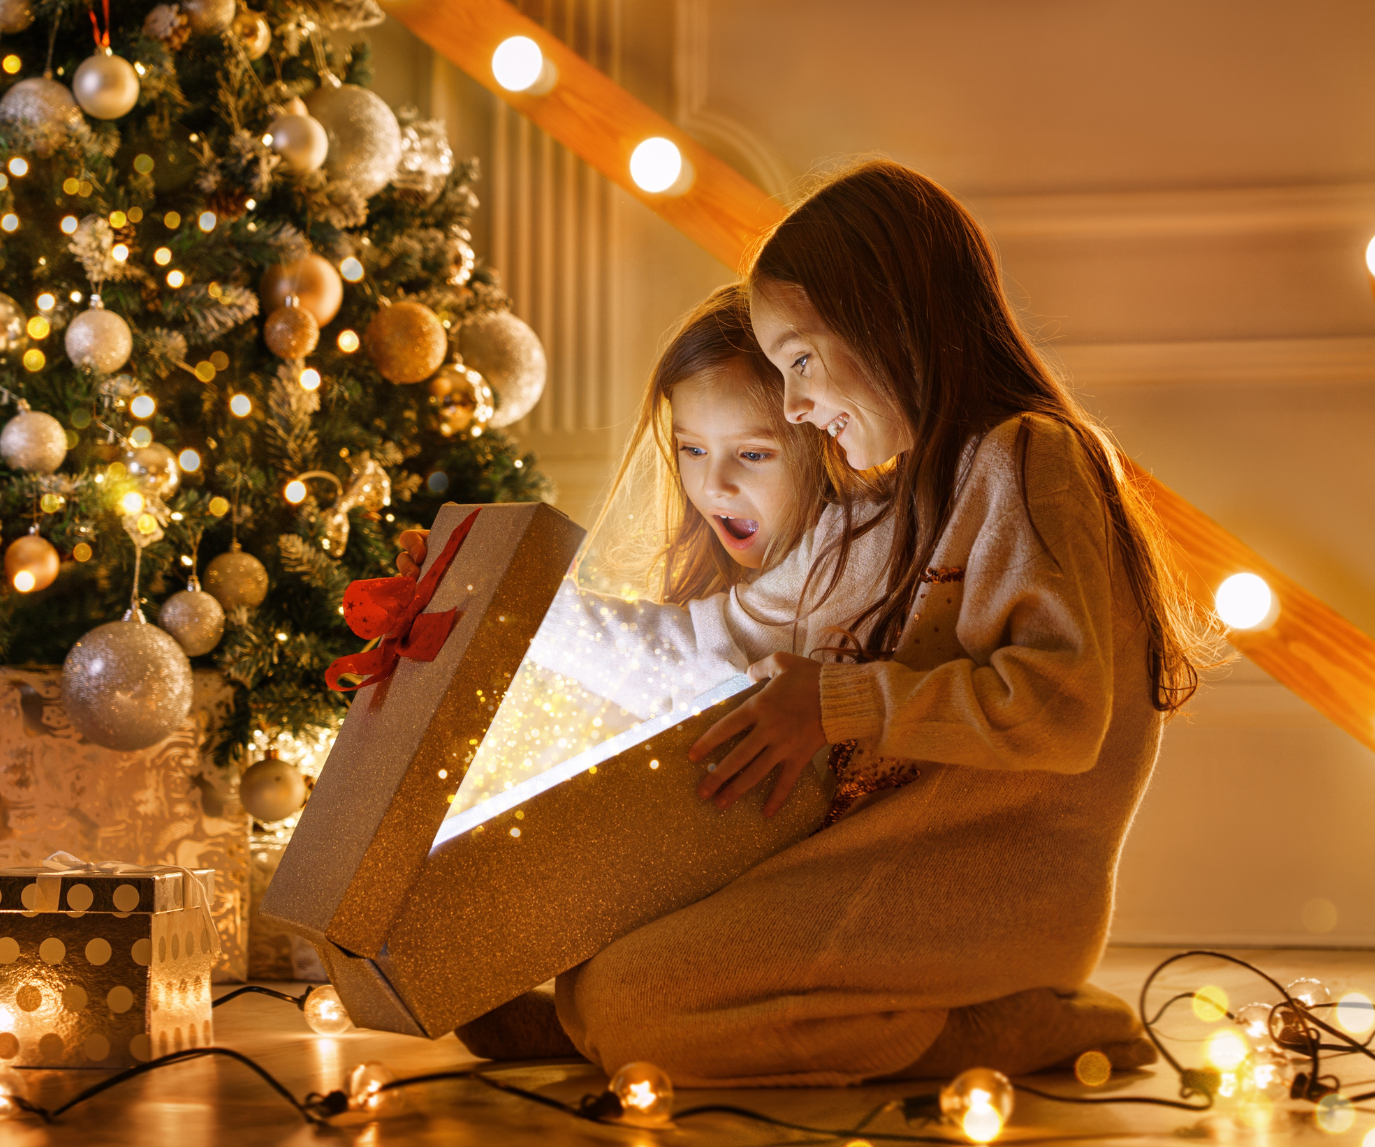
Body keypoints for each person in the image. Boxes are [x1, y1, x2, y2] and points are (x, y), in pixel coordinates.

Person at [400, 162, 1206, 1084]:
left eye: (800, 362)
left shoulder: (1030, 457)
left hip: (978, 889)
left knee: (636, 1008)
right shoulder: (871, 518)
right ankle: (605, 1022)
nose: (793, 407)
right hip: (876, 861)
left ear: (889, 326)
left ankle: (985, 1030)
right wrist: (489, 604)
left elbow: (1063, 711)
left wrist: (836, 700)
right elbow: (705, 642)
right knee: (596, 970)